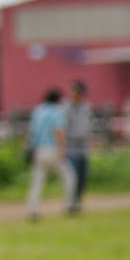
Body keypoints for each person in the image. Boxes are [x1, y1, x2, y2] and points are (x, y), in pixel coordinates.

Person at [26, 88, 77, 221]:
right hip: (53, 149)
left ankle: (33, 209)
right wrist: (63, 149)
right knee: (69, 177)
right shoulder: (57, 112)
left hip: (39, 150)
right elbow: (59, 131)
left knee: (37, 181)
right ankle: (69, 205)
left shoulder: (38, 111)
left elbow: (32, 133)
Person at [65, 80, 92, 213]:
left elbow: (87, 126)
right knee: (72, 178)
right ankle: (70, 204)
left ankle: (77, 203)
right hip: (71, 148)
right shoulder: (66, 108)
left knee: (82, 178)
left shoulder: (85, 108)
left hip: (83, 148)